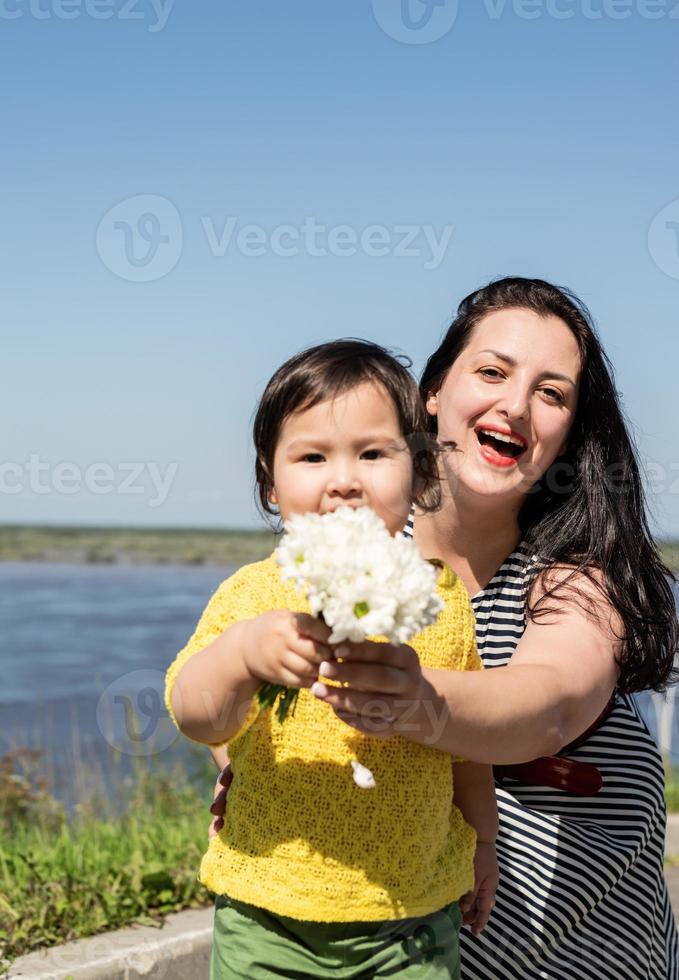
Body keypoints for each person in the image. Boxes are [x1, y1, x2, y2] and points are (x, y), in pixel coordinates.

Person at [301, 278, 679, 978]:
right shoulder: (353, 553)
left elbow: (549, 704)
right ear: (432, 393)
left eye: (551, 393)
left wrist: (413, 702)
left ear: (569, 433)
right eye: (492, 372)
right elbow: (261, 666)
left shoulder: (575, 577)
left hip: (589, 952)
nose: (514, 405)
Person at [164, 340, 499, 979]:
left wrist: (482, 845)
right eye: (312, 456)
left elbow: (467, 755)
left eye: (374, 454)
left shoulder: (436, 602)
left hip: (412, 922)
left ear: (422, 473)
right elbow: (196, 715)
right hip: (268, 918)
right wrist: (241, 655)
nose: (344, 479)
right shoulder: (253, 595)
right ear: (269, 481)